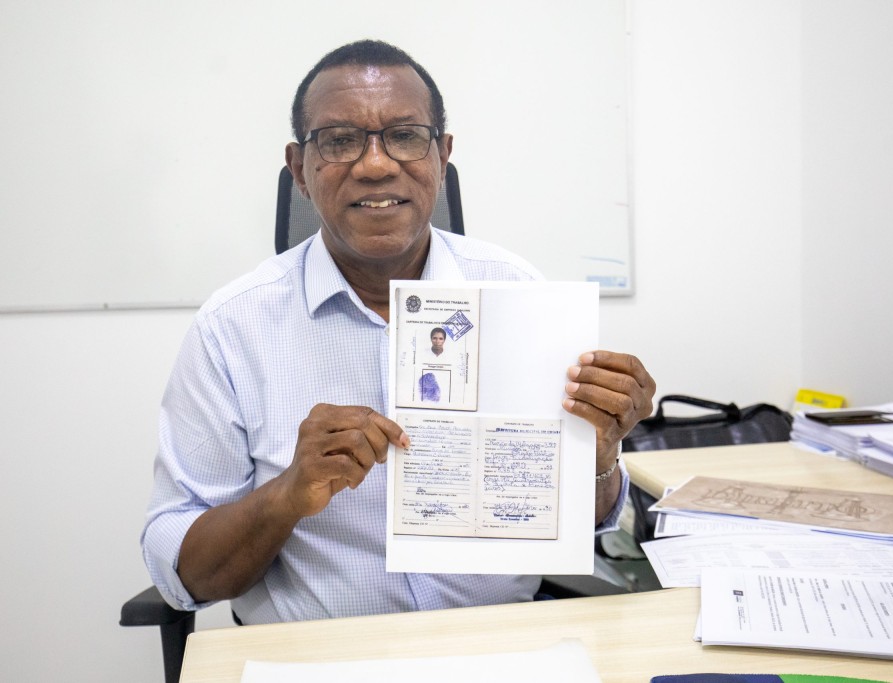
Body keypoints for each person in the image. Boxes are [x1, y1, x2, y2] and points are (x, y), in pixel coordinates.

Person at [142, 39, 656, 625]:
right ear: (299, 170)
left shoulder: (519, 294)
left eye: (406, 136)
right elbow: (185, 575)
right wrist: (286, 496)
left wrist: (599, 454)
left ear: (442, 156)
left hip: (497, 644)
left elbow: (586, 521)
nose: (376, 164)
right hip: (322, 657)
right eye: (340, 140)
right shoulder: (232, 329)